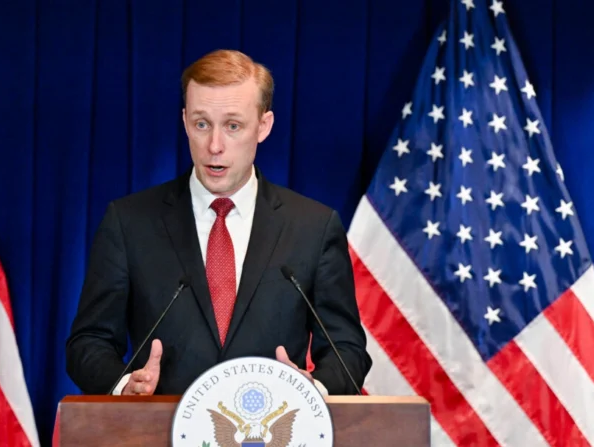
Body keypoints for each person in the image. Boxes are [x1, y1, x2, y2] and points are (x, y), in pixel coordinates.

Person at [65, 49, 372, 396]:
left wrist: (313, 388)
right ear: (184, 122)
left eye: (233, 126)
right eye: (201, 124)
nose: (214, 145)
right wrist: (124, 386)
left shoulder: (313, 227)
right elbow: (88, 343)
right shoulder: (129, 222)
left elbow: (347, 350)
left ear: (263, 126)